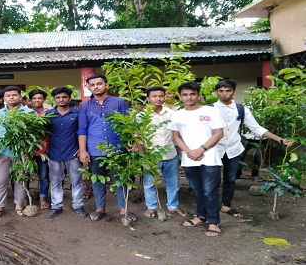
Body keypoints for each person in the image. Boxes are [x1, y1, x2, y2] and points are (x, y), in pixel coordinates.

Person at [213, 79, 294, 217]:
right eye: (221, 91)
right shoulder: (209, 109)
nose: (224, 94)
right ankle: (211, 205)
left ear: (233, 92)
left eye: (228, 91)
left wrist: (280, 139)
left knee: (230, 179)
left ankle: (226, 205)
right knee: (212, 179)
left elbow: (256, 128)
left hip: (233, 149)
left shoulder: (241, 109)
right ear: (216, 92)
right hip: (213, 149)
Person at [168, 81, 224, 237]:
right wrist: (188, 152)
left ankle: (214, 222)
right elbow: (176, 136)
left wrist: (201, 149)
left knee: (210, 191)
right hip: (189, 159)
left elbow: (219, 133)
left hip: (210, 158)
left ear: (199, 95)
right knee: (197, 189)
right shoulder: (178, 114)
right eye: (185, 94)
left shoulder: (210, 111)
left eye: (192, 94)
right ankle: (201, 215)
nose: (189, 97)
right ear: (180, 97)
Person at [77, 74, 136, 221]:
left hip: (118, 148)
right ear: (89, 87)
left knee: (120, 179)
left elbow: (127, 125)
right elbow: (82, 129)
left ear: (106, 85)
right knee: (98, 180)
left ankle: (124, 209)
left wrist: (131, 142)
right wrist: (83, 150)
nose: (96, 87)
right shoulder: (85, 106)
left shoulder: (120, 103)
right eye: (92, 85)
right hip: (95, 149)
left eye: (99, 84)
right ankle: (100, 208)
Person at [140, 87, 188, 219]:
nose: (158, 99)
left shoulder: (172, 114)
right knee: (149, 183)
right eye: (154, 96)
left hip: (170, 154)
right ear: (148, 98)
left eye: (161, 96)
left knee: (173, 182)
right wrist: (143, 154)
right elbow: (137, 137)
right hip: (150, 156)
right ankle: (151, 207)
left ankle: (173, 205)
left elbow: (178, 134)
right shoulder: (141, 116)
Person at [0, 86, 35, 219]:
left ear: (20, 97)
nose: (11, 97)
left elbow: (33, 134)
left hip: (22, 152)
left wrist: (29, 150)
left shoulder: (29, 113)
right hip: (2, 152)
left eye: (14, 95)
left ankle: (19, 205)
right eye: (8, 95)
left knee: (20, 180)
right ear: (4, 98)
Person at [45, 86, 87, 219]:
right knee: (56, 181)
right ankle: (56, 206)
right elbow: (43, 133)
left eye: (64, 97)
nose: (61, 100)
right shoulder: (49, 114)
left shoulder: (77, 114)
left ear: (69, 98)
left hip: (73, 154)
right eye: (58, 97)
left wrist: (81, 149)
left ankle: (78, 205)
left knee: (76, 181)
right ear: (54, 99)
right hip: (54, 153)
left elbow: (83, 132)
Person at [28, 88, 50, 209]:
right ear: (30, 100)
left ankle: (43, 197)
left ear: (44, 99)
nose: (37, 100)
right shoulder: (26, 114)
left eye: (40, 98)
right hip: (28, 151)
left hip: (43, 150)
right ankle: (25, 196)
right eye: (35, 98)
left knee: (44, 176)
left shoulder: (48, 113)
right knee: (26, 174)